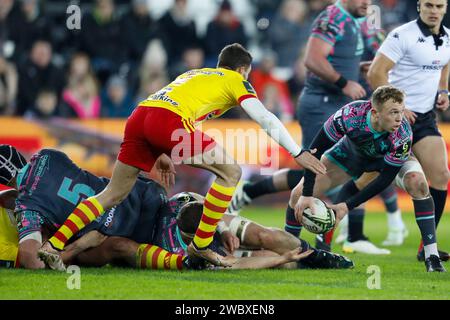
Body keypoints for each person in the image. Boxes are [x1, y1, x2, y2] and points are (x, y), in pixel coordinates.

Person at [38, 43, 327, 269]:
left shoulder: (195, 74)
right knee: (231, 173)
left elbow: (168, 114)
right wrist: (297, 151)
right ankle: (201, 244)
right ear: (242, 71)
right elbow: (264, 117)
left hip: (140, 115)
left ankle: (54, 245)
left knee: (112, 193)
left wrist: (161, 150)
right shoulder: (235, 80)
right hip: (167, 121)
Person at [0, 146, 349, 271]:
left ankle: (303, 256)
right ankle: (310, 254)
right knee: (263, 239)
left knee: (111, 247)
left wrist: (60, 247)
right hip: (145, 200)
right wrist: (282, 257)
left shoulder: (27, 205)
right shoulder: (48, 155)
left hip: (124, 229)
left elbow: (31, 258)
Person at [291, 85, 446, 272]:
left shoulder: (403, 133)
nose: (400, 118)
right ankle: (286, 250)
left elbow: (384, 179)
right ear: (375, 113)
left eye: (402, 111)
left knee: (418, 183)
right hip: (350, 156)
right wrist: (307, 194)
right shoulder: (349, 116)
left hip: (385, 162)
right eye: (393, 112)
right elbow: (313, 152)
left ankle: (432, 256)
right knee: (297, 194)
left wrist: (346, 206)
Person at [367, 0, 450, 262]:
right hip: (395, 118)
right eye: (429, 5)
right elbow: (375, 73)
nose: (434, 10)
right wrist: (399, 108)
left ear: (445, 9)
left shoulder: (448, 38)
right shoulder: (402, 35)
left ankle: (428, 248)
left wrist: (444, 90)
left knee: (440, 175)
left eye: (439, 6)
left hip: (424, 118)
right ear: (419, 7)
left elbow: (445, 62)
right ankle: (333, 232)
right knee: (363, 179)